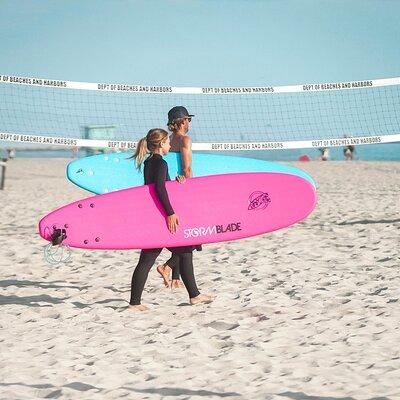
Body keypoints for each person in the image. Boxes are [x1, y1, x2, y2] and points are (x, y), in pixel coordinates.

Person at [128, 128, 213, 311]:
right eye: (167, 142)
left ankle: (193, 295)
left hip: (154, 216)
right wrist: (170, 213)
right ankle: (193, 296)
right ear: (161, 144)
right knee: (175, 254)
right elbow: (159, 189)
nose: (170, 145)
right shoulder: (161, 164)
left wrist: (177, 183)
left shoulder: (149, 163)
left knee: (177, 253)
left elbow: (158, 187)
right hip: (162, 218)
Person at [157, 106, 200, 289]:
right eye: (188, 119)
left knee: (181, 234)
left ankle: (176, 278)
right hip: (183, 187)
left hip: (170, 187)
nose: (189, 123)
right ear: (183, 121)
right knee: (192, 237)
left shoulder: (169, 140)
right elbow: (187, 168)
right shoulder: (185, 139)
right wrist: (191, 190)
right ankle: (167, 267)